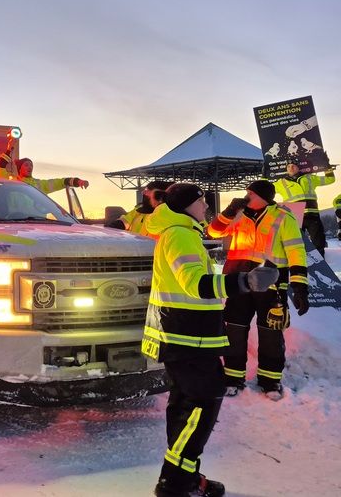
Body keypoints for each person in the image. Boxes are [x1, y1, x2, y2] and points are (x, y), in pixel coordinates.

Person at [142, 182, 278, 497]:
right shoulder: (180, 234)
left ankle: (181, 479)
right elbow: (195, 284)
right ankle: (176, 484)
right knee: (202, 404)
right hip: (187, 338)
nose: (206, 206)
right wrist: (245, 281)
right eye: (202, 201)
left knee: (185, 407)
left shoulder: (179, 231)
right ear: (189, 204)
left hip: (183, 337)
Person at [208, 181, 309, 400]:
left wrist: (300, 285)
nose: (246, 196)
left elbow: (296, 251)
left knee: (270, 331)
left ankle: (270, 381)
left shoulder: (283, 216)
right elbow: (213, 232)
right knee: (234, 329)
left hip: (271, 284)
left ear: (263, 196)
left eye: (250, 193)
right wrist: (228, 212)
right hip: (238, 281)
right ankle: (233, 378)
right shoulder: (237, 214)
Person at [273, 161, 335, 256]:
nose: (291, 168)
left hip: (312, 214)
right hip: (294, 216)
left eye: (293, 166)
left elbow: (330, 179)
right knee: (295, 244)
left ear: (298, 167)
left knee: (319, 241)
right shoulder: (281, 183)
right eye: (288, 166)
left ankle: (320, 265)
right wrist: (264, 176)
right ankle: (299, 265)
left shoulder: (310, 178)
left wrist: (328, 167)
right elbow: (265, 187)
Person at [0, 136, 89, 194]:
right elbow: (0, 168)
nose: (30, 167)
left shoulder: (40, 184)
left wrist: (78, 181)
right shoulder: (13, 182)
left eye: (31, 165)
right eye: (26, 165)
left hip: (37, 224)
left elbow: (60, 182)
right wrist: (9, 149)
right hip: (15, 223)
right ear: (20, 168)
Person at [106, 180, 173, 237]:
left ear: (160, 196)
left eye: (148, 190)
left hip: (151, 250)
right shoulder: (138, 211)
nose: (143, 192)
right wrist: (112, 228)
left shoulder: (168, 215)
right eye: (145, 190)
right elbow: (125, 221)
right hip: (134, 248)